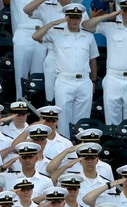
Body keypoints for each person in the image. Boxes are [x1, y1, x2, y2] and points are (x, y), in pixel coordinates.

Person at [31, 3, 98, 138]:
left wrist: (94, 81)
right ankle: (64, 147)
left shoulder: (88, 36)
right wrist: (55, 22)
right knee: (63, 119)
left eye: (77, 18)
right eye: (71, 17)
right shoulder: (57, 33)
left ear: (80, 18)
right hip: (64, 80)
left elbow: (93, 60)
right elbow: (36, 36)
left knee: (82, 119)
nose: (74, 21)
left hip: (84, 80)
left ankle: (79, 148)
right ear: (67, 17)